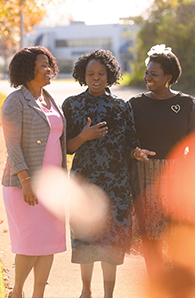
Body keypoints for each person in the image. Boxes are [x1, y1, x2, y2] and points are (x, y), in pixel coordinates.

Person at [62, 49, 155, 298]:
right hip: (84, 183)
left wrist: (137, 153)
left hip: (116, 185)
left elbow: (130, 144)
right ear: (83, 75)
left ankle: (108, 294)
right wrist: (83, 136)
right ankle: (86, 290)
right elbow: (66, 149)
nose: (96, 77)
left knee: (111, 240)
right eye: (90, 73)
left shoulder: (120, 107)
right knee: (85, 237)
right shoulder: (72, 105)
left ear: (109, 75)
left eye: (101, 73)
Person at [129, 44, 195, 292]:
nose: (148, 77)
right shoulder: (134, 105)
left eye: (154, 74)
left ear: (169, 78)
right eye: (147, 73)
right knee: (151, 241)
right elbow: (125, 141)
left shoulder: (187, 105)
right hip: (144, 179)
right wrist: (134, 152)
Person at [1, 46, 67, 298]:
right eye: (43, 65)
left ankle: (38, 295)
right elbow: (12, 145)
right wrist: (26, 182)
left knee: (48, 242)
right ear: (28, 70)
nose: (49, 69)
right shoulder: (15, 101)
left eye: (49, 63)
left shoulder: (50, 99)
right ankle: (17, 292)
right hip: (24, 185)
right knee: (29, 244)